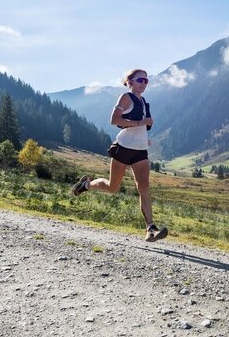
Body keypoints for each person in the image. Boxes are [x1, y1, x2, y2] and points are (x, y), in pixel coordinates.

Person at [71, 68, 167, 242]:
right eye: (140, 80)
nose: (144, 83)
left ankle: (150, 228)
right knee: (112, 187)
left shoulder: (144, 102)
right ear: (129, 82)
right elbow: (114, 120)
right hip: (123, 147)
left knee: (144, 187)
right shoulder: (125, 97)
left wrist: (145, 138)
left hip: (140, 151)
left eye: (146, 81)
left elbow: (142, 127)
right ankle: (87, 185)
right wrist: (141, 122)